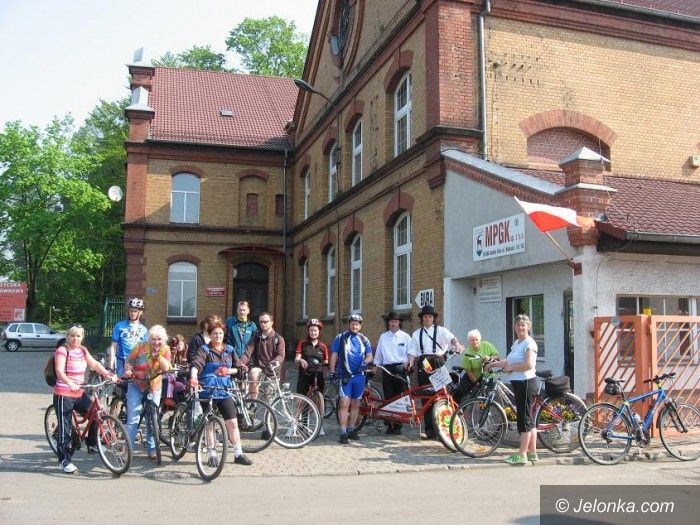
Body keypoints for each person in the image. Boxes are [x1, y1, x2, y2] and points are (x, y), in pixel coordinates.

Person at [53, 325, 117, 473]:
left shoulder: (82, 350)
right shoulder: (62, 350)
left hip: (79, 393)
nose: (75, 339)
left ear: (82, 337)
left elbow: (94, 364)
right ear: (67, 336)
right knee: (65, 428)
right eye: (72, 336)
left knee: (96, 413)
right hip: (64, 394)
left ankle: (92, 444)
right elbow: (59, 371)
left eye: (78, 336)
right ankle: (64, 461)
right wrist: (70, 383)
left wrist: (108, 374)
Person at [189, 321, 253, 466]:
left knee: (233, 422)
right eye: (214, 333)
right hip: (208, 391)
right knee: (210, 423)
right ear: (210, 335)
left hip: (224, 391)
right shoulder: (204, 350)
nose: (218, 336)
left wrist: (228, 370)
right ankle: (211, 454)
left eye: (220, 333)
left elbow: (239, 369)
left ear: (223, 335)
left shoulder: (229, 350)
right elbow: (196, 364)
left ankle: (238, 453)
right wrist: (193, 377)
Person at [485, 314, 538, 465]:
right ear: (515, 327)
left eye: (523, 325)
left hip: (526, 382)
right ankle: (532, 453)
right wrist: (493, 364)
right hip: (518, 383)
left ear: (528, 327)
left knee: (524, 419)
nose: (520, 327)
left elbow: (529, 365)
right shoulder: (517, 343)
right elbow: (508, 361)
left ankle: (522, 454)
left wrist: (512, 368)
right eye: (518, 325)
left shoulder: (529, 343)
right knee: (529, 419)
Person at [408, 304, 465, 439]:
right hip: (423, 364)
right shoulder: (416, 334)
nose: (427, 318)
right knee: (426, 397)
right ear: (422, 319)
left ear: (433, 318)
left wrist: (457, 345)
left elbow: (452, 339)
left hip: (438, 363)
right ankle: (430, 430)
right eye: (425, 317)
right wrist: (410, 363)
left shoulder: (441, 330)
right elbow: (412, 352)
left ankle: (445, 428)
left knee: (443, 395)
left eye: (430, 316)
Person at [123, 324, 171, 460]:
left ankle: (152, 449)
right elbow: (129, 360)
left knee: (152, 418)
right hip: (136, 384)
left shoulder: (166, 349)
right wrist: (128, 370)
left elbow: (166, 368)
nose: (156, 342)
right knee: (133, 419)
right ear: (149, 339)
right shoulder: (140, 346)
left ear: (164, 339)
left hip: (154, 386)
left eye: (159, 339)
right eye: (153, 339)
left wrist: (159, 356)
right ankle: (128, 451)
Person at [329, 313, 373, 444]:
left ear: (360, 326)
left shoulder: (364, 339)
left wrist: (365, 362)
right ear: (349, 325)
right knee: (344, 404)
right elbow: (334, 355)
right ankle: (343, 431)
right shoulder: (341, 337)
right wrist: (332, 371)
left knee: (356, 404)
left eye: (357, 324)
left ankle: (352, 429)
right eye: (353, 324)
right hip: (346, 376)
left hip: (359, 377)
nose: (355, 326)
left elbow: (370, 355)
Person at [374, 311, 412, 435]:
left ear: (399, 323)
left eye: (396, 321)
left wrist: (407, 364)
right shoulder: (383, 337)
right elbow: (378, 354)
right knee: (388, 397)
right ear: (388, 323)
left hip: (400, 369)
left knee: (400, 397)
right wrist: (375, 367)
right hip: (387, 369)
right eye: (391, 321)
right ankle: (389, 424)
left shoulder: (406, 337)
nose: (394, 324)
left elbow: (411, 353)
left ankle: (398, 425)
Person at [236, 312, 285, 401]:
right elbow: (247, 353)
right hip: (259, 367)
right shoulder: (256, 337)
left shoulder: (278, 339)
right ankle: (253, 403)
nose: (262, 324)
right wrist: (240, 363)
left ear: (271, 322)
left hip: (272, 370)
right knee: (253, 374)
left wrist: (274, 362)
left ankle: (268, 409)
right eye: (261, 322)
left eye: (265, 322)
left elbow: (280, 355)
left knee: (269, 397)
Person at [294, 318, 329, 436]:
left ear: (319, 332)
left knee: (319, 401)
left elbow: (326, 361)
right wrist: (301, 360)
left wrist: (326, 367)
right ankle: (294, 424)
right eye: (311, 330)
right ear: (308, 331)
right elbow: (297, 358)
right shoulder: (303, 343)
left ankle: (319, 425)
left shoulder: (323, 346)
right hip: (305, 374)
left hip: (318, 375)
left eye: (315, 330)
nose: (313, 333)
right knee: (300, 400)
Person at [453, 329, 500, 403]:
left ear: (480, 339)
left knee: (486, 398)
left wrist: (490, 358)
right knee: (460, 391)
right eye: (472, 340)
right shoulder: (468, 353)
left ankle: (485, 409)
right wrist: (476, 383)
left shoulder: (486, 345)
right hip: (472, 374)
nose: (475, 342)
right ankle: (456, 407)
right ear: (469, 341)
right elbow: (468, 370)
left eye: (476, 339)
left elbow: (497, 356)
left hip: (487, 375)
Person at [109, 297, 148, 378]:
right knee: (120, 384)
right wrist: (111, 366)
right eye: (130, 311)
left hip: (136, 363)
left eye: (135, 311)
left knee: (136, 384)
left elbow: (145, 350)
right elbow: (113, 347)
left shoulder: (144, 330)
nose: (132, 313)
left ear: (140, 312)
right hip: (121, 361)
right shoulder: (119, 326)